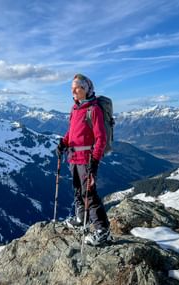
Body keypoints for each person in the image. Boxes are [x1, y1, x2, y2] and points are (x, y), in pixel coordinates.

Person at [57, 73, 110, 246]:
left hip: (86, 159)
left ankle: (103, 230)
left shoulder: (93, 110)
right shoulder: (75, 109)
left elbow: (101, 138)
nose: (73, 91)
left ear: (86, 89)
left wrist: (95, 160)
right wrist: (63, 143)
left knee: (89, 194)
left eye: (77, 87)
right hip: (73, 157)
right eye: (72, 88)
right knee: (77, 190)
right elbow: (71, 131)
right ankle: (81, 218)